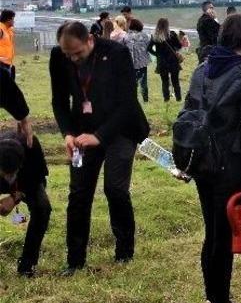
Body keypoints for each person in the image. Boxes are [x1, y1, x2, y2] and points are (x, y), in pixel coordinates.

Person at [185, 14, 241, 303]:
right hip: (230, 165)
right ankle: (215, 302)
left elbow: (187, 117)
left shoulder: (201, 70)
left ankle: (217, 296)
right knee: (223, 234)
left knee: (214, 230)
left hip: (201, 162)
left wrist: (186, 162)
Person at [50, 20, 150, 275]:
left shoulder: (116, 53)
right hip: (82, 130)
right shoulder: (58, 57)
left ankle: (124, 252)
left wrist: (100, 136)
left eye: (78, 53)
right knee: (78, 193)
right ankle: (75, 260)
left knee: (115, 189)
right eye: (68, 54)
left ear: (90, 41)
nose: (73, 59)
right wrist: (68, 134)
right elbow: (60, 100)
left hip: (121, 128)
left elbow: (128, 102)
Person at [0, 131, 50, 277]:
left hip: (25, 181)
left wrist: (16, 197)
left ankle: (27, 266)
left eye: (12, 173)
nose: (8, 177)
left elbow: (39, 177)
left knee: (42, 208)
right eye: (5, 173)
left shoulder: (31, 144)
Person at [148, 18, 184, 102]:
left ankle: (166, 99)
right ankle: (178, 98)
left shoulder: (155, 36)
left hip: (162, 62)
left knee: (164, 82)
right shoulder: (172, 34)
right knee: (175, 81)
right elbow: (179, 46)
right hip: (173, 61)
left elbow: (149, 48)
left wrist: (157, 55)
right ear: (167, 25)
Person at [125, 18, 151, 103]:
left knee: (133, 83)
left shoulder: (126, 36)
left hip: (130, 63)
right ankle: (145, 100)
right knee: (143, 83)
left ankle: (134, 100)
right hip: (142, 62)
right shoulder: (144, 35)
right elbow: (149, 46)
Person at [0, 9, 16, 77]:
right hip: (1, 64)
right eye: (13, 19)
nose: (14, 21)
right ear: (8, 20)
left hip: (7, 63)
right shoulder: (0, 29)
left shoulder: (9, 30)